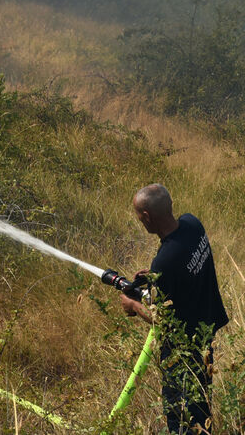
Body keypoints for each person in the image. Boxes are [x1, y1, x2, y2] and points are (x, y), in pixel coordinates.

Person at [119, 183, 229, 434]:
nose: (139, 221)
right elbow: (185, 268)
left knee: (183, 416)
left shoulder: (165, 261)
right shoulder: (192, 224)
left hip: (183, 351)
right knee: (201, 401)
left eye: (139, 216)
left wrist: (134, 305)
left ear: (146, 217)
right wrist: (155, 277)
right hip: (204, 333)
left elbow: (164, 322)